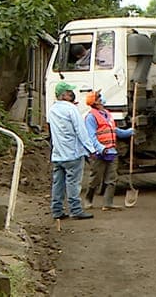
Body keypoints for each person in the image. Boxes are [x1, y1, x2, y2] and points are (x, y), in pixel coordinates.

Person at [47, 81, 96, 220]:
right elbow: (81, 131)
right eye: (70, 93)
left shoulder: (52, 110)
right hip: (73, 153)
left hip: (58, 154)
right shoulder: (71, 109)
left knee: (58, 183)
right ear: (64, 95)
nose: (72, 95)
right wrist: (91, 149)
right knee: (73, 183)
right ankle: (75, 210)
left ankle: (57, 210)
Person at [83, 90, 134, 210]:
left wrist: (128, 132)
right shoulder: (91, 117)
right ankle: (88, 199)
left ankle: (108, 203)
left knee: (112, 179)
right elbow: (91, 136)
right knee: (96, 178)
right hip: (99, 153)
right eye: (99, 98)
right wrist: (101, 148)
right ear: (95, 102)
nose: (102, 99)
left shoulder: (107, 114)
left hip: (111, 151)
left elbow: (114, 130)